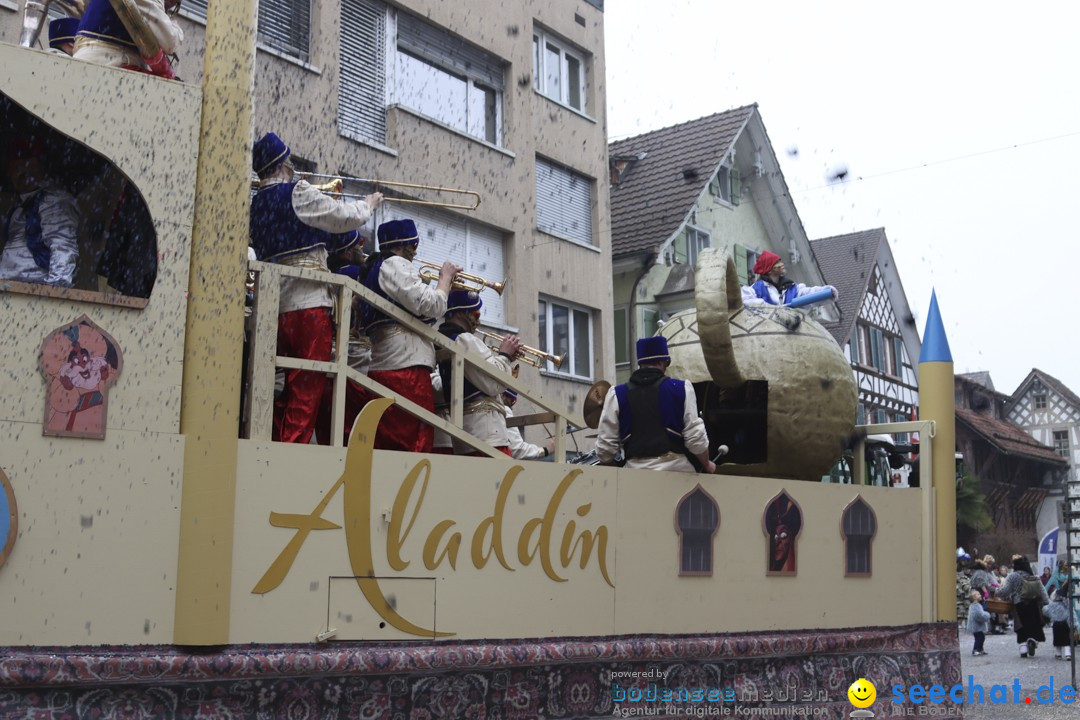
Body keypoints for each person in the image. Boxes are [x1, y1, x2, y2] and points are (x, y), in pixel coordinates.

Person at [249, 132, 382, 444]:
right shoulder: (297, 191)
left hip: (270, 307)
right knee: (307, 387)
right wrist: (368, 204)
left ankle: (269, 442)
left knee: (276, 386)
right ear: (283, 165)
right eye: (290, 162)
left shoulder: (255, 205)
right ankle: (287, 450)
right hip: (307, 304)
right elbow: (342, 218)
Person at [358, 219, 457, 452]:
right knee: (415, 443)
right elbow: (430, 304)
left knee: (390, 444)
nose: (415, 253)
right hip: (405, 368)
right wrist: (445, 279)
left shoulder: (376, 269)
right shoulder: (394, 264)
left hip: (388, 364)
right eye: (413, 246)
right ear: (403, 246)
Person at [595, 336, 716, 474]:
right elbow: (696, 440)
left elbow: (604, 449)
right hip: (678, 475)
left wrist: (617, 473)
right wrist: (706, 464)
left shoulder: (616, 394)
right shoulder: (682, 388)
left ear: (640, 364)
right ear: (663, 362)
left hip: (633, 477)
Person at [436, 289, 519, 456]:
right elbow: (493, 383)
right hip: (486, 435)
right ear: (460, 314)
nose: (478, 320)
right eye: (475, 314)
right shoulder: (464, 339)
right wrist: (505, 356)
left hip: (471, 432)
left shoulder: (444, 340)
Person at [1, 136, 79, 287]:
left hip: (31, 288)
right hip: (9, 287)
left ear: (40, 167)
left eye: (26, 166)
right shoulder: (17, 208)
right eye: (14, 169)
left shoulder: (54, 201)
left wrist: (54, 292)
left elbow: (62, 247)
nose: (19, 174)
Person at [74, 0, 183, 77]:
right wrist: (176, 28)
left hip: (96, 65)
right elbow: (170, 41)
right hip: (109, 66)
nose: (165, 7)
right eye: (169, 2)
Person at [996, 554, 1049, 657]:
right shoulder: (1034, 576)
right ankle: (1032, 640)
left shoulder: (1013, 576)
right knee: (1032, 626)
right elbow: (1043, 592)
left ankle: (1023, 649)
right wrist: (1048, 604)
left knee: (1021, 627)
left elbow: (1005, 591)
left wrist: (997, 592)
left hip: (1019, 605)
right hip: (1033, 604)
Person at [741, 250, 837, 307]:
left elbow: (807, 293)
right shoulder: (758, 288)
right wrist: (769, 308)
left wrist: (826, 292)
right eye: (777, 263)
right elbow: (744, 299)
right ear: (770, 270)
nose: (782, 265)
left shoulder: (791, 288)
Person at [502, 389, 554, 460]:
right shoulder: (503, 410)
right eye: (512, 401)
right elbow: (517, 450)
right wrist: (546, 450)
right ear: (503, 396)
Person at [1047, 582, 1073, 660]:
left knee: (1057, 639)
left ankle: (1058, 653)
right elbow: (1071, 613)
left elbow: (1046, 610)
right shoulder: (1067, 604)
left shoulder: (1053, 603)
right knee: (1066, 639)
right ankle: (1068, 653)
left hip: (1056, 623)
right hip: (1065, 622)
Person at [966, 590, 990, 656]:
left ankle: (980, 649)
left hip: (976, 626)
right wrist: (987, 615)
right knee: (979, 638)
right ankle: (975, 650)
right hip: (976, 626)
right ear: (974, 597)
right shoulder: (975, 606)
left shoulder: (976, 605)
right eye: (978, 594)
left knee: (981, 637)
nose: (980, 595)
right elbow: (978, 615)